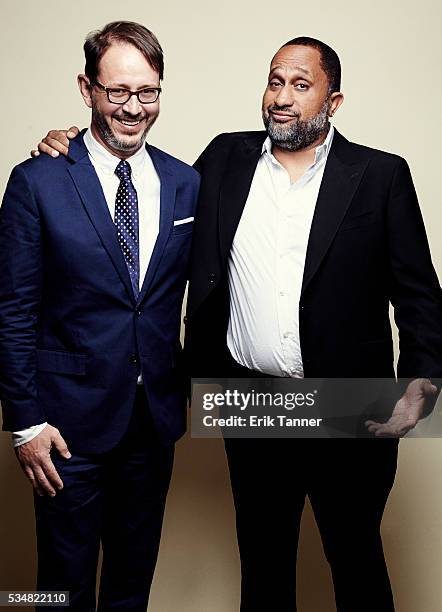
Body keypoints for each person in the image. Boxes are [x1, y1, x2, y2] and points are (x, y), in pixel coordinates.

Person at [32, 36, 442, 612]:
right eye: (275, 81)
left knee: (356, 562)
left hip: (352, 405)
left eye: (301, 85)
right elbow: (139, 185)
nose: (282, 97)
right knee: (264, 564)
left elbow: (420, 294)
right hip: (253, 402)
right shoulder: (224, 159)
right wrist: (75, 141)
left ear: (335, 100)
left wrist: (419, 385)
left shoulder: (380, 175)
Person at [0, 21, 199, 611]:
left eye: (149, 92)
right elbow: (11, 310)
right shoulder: (37, 181)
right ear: (87, 89)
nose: (134, 108)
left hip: (152, 421)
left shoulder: (185, 182)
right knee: (61, 589)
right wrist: (26, 422)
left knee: (131, 585)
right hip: (64, 428)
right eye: (118, 92)